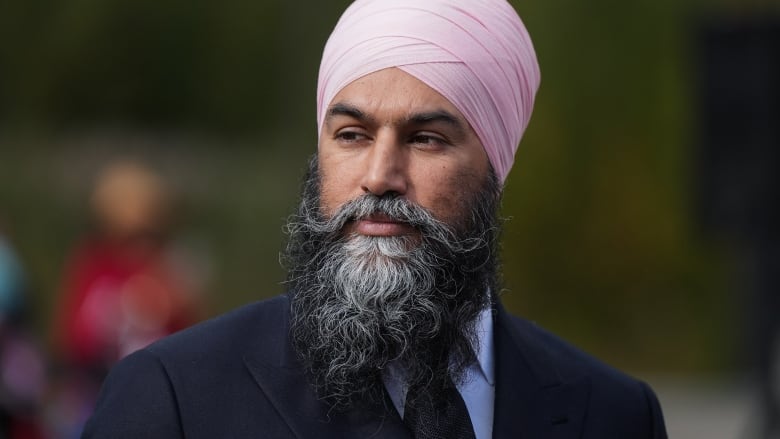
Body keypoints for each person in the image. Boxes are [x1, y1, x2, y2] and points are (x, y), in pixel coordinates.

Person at [83, 0, 668, 438]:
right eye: (352, 135)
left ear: (496, 165)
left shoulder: (612, 413)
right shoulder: (175, 398)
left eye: (426, 139)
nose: (380, 174)